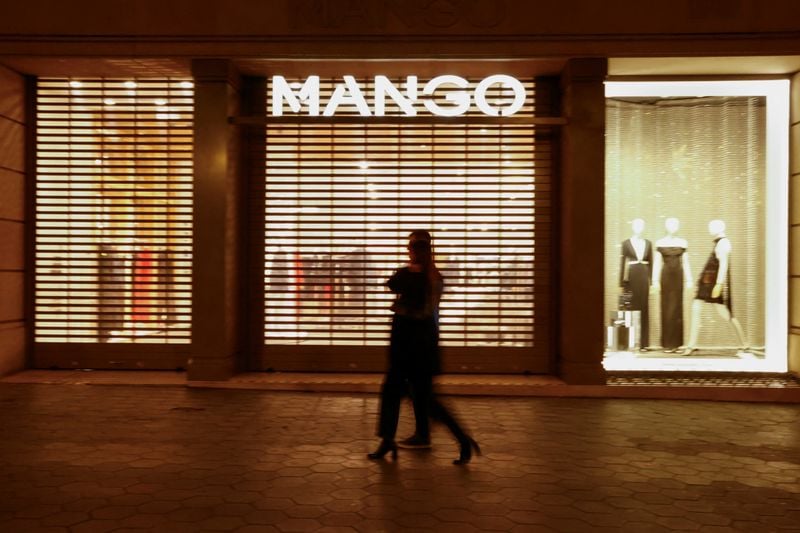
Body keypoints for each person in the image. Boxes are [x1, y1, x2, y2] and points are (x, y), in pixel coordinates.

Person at [368, 230, 480, 465]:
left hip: (420, 346)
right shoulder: (408, 273)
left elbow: (423, 312)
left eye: (416, 247)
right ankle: (387, 440)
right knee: (392, 391)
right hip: (402, 343)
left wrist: (403, 304)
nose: (412, 252)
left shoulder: (433, 278)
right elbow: (392, 285)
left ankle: (463, 440)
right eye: (411, 247)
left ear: (426, 250)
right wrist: (407, 281)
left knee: (426, 400)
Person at [683, 220, 747, 355]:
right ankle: (691, 344)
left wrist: (719, 284)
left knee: (725, 314)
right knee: (697, 308)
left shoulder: (723, 243)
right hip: (707, 284)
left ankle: (744, 343)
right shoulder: (720, 242)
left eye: (712, 226)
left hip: (712, 284)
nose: (709, 228)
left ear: (720, 228)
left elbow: (723, 265)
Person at [652, 217, 692, 352]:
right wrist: (655, 281)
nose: (673, 227)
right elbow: (657, 263)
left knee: (677, 309)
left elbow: (686, 262)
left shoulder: (683, 243)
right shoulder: (660, 242)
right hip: (665, 278)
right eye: (670, 224)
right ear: (666, 226)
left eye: (675, 224)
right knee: (667, 308)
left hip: (678, 278)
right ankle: (668, 344)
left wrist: (689, 280)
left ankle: (677, 344)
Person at [619, 218, 653, 349]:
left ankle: (643, 343)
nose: (639, 228)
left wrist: (652, 282)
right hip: (631, 276)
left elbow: (651, 263)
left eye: (641, 226)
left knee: (644, 307)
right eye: (636, 225)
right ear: (632, 227)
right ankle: (631, 342)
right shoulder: (626, 243)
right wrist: (621, 283)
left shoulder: (648, 243)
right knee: (631, 306)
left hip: (643, 276)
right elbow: (623, 262)